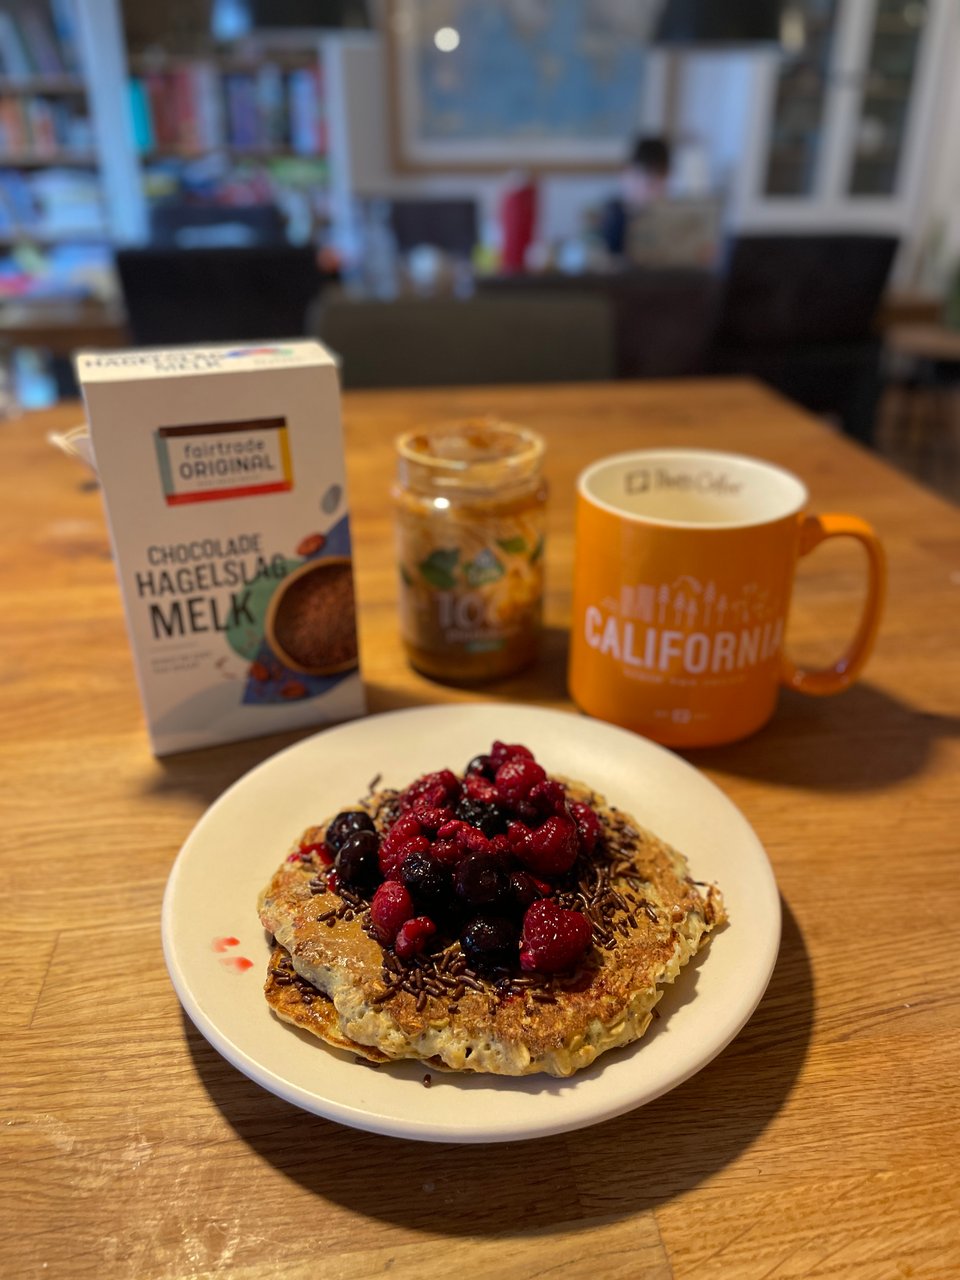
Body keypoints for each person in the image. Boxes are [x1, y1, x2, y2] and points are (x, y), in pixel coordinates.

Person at [600, 136, 672, 258]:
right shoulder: (615, 214)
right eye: (650, 183)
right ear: (630, 174)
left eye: (661, 182)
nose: (657, 191)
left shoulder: (670, 217)